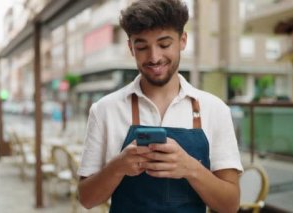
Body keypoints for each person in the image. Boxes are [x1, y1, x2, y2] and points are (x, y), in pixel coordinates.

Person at [77, 0, 243, 212]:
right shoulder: (104, 110)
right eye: (142, 47)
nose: (154, 57)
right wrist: (118, 166)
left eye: (164, 44)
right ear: (130, 47)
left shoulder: (215, 109)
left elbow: (230, 205)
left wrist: (190, 168)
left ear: (182, 40)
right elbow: (86, 199)